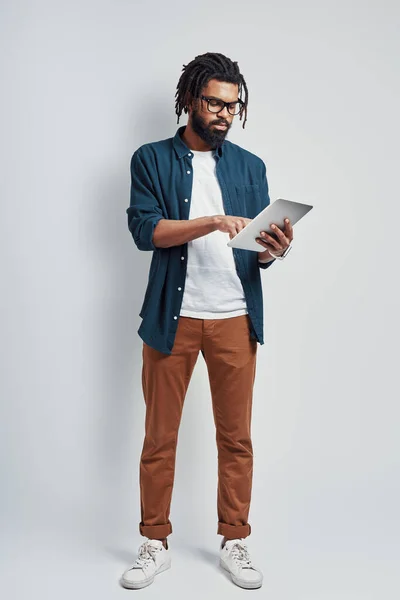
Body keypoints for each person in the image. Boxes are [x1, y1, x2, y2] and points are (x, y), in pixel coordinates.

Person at [121, 52, 293, 590]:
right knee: (159, 437)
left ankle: (235, 541)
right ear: (191, 99)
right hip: (172, 320)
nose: (224, 113)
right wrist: (211, 222)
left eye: (233, 105)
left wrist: (274, 249)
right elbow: (145, 231)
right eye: (215, 102)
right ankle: (154, 542)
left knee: (236, 438)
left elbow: (256, 248)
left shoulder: (250, 166)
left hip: (235, 319)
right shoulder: (150, 159)